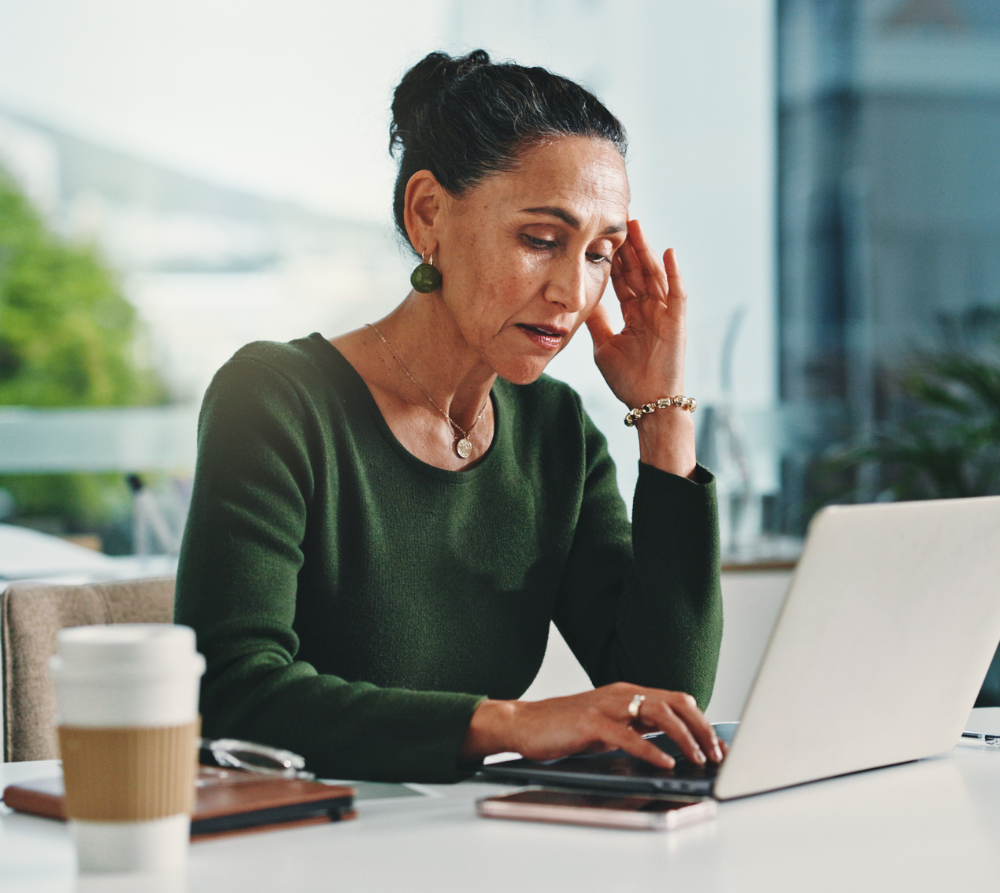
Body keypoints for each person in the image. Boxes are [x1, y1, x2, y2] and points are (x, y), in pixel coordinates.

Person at [174, 50, 724, 783]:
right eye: (540, 240)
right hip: (300, 848)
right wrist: (513, 724)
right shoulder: (277, 398)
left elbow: (665, 695)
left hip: (461, 838)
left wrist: (665, 417)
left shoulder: (555, 430)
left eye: (600, 253)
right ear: (428, 213)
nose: (572, 291)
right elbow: (234, 691)